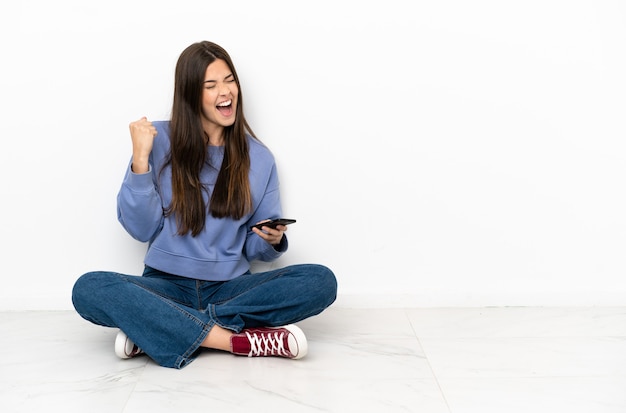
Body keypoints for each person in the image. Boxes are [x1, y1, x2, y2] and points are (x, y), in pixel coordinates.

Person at [71, 41, 337, 369]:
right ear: (190, 95)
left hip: (230, 288)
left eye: (229, 80)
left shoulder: (260, 158)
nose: (225, 91)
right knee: (89, 288)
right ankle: (232, 340)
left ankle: (159, 328)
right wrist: (140, 159)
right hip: (165, 285)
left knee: (320, 280)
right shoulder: (158, 141)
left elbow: (255, 249)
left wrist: (272, 240)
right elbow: (140, 230)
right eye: (211, 85)